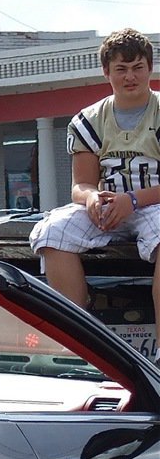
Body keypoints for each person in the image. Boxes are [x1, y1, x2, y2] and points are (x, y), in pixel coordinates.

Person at [29, 29, 158, 327]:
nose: (130, 77)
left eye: (138, 67)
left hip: (153, 205)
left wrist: (134, 200)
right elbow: (82, 183)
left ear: (150, 68)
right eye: (121, 69)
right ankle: (82, 336)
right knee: (53, 231)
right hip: (109, 209)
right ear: (106, 72)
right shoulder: (89, 120)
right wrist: (91, 199)